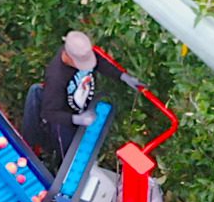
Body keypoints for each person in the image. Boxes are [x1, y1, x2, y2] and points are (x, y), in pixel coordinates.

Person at [39, 31, 139, 165]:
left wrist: (122, 76)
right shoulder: (56, 78)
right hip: (64, 124)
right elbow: (48, 113)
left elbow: (100, 63)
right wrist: (76, 119)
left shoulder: (80, 53)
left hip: (83, 110)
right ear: (68, 56)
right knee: (70, 159)